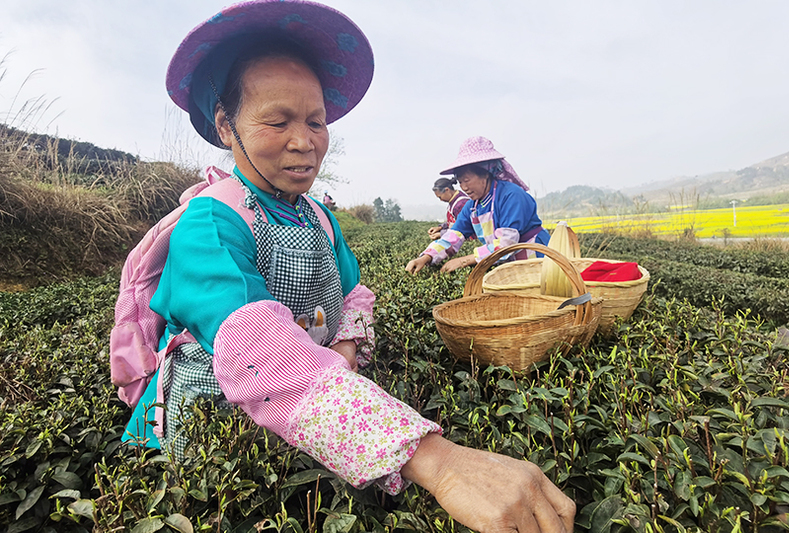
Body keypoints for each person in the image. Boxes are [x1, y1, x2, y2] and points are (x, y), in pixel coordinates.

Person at [122, 2, 574, 531]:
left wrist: (346, 348)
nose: (304, 141)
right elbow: (256, 350)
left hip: (319, 406)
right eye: (277, 120)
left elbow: (354, 292)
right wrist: (440, 463)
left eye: (316, 121)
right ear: (226, 126)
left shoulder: (318, 215)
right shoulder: (211, 224)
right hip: (221, 434)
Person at [406, 136, 551, 274]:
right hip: (506, 263)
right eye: (461, 182)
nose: (464, 187)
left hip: (536, 256)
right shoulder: (472, 207)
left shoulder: (511, 195)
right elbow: (453, 235)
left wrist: (465, 260)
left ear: (485, 174)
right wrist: (426, 258)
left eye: (467, 180)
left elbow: (507, 244)